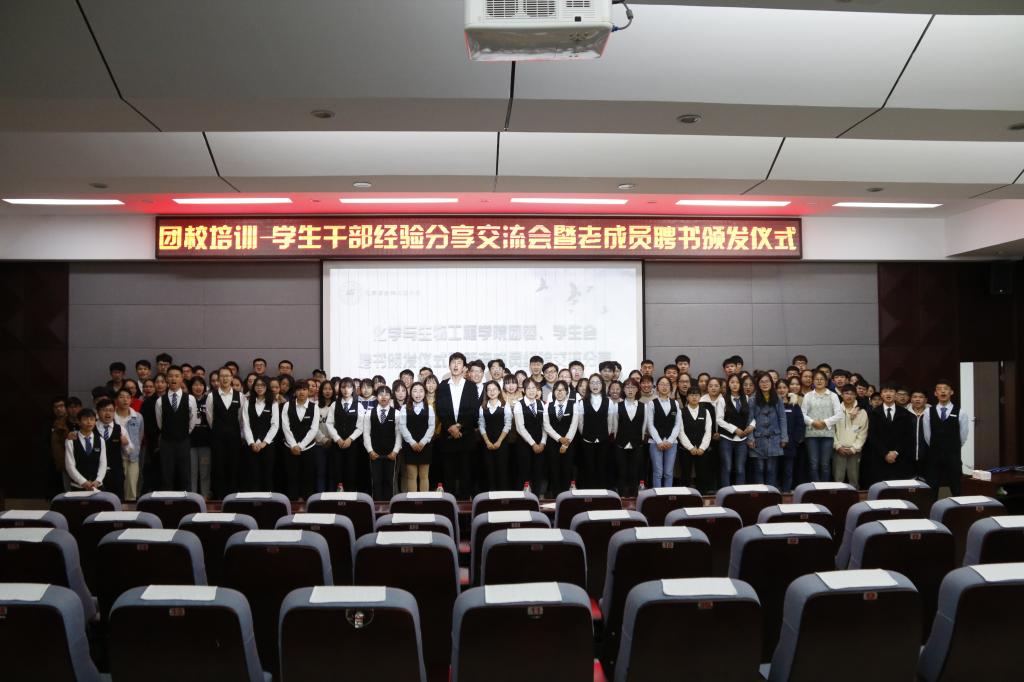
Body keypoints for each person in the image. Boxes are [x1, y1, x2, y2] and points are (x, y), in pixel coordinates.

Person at [434, 352, 479, 498]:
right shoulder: (442, 386)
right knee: (449, 474)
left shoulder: (471, 386)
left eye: (459, 363)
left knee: (466, 473)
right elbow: (440, 409)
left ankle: (465, 503)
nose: (455, 365)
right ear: (449, 366)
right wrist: (450, 427)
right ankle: (449, 503)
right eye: (453, 362)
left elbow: (473, 410)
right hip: (447, 437)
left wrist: (459, 426)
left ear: (464, 367)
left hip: (466, 436)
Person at [922, 380, 970, 495]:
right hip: (934, 454)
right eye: (939, 389)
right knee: (932, 486)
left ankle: (959, 505)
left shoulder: (961, 412)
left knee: (956, 486)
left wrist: (952, 446)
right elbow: (927, 435)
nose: (943, 391)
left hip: (953, 455)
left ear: (951, 392)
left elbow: (963, 436)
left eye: (946, 389)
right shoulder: (928, 412)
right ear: (935, 393)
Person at [154, 366, 198, 490]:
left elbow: (192, 421)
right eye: (171, 376)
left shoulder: (190, 399)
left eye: (177, 376)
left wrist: (182, 433)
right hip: (166, 442)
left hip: (183, 441)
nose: (174, 379)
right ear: (167, 378)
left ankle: (187, 499)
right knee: (166, 474)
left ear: (182, 378)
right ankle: (167, 500)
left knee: (185, 474)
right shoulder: (160, 401)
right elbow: (160, 423)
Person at [865, 383, 916, 485]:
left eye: (891, 391)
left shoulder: (905, 414)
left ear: (896, 394)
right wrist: (885, 453)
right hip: (879, 457)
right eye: (885, 391)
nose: (888, 394)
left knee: (897, 488)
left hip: (899, 458)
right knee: (881, 488)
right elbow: (872, 436)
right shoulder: (873, 413)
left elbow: (908, 436)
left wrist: (896, 452)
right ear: (881, 395)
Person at [206, 368, 244, 498]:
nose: (225, 378)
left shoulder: (240, 396)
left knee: (234, 466)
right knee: (219, 466)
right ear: (218, 379)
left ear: (232, 378)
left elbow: (241, 418)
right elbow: (210, 418)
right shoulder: (211, 396)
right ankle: (219, 496)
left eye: (227, 376)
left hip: (234, 438)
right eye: (222, 376)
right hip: (217, 438)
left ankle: (233, 496)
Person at [281, 379, 321, 501]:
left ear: (309, 391)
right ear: (294, 391)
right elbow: (285, 427)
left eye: (304, 389)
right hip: (290, 448)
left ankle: (307, 503)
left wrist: (301, 446)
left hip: (308, 448)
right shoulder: (287, 405)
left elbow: (314, 429)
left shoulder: (314, 407)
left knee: (308, 477)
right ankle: (292, 503)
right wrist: (294, 445)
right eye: (298, 389)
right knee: (291, 477)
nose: (301, 392)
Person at [802, 370, 843, 482]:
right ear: (813, 381)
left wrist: (825, 422)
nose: (819, 381)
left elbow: (839, 414)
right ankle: (815, 487)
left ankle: (825, 487)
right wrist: (812, 422)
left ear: (826, 382)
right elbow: (802, 414)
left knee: (825, 464)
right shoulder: (808, 396)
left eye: (822, 379)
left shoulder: (833, 396)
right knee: (813, 464)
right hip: (811, 434)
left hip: (827, 434)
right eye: (817, 379)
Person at [748, 373, 787, 487]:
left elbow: (782, 418)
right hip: (758, 438)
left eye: (767, 381)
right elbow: (750, 420)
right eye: (762, 382)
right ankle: (760, 493)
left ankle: (771, 492)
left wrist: (784, 437)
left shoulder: (777, 398)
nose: (765, 384)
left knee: (771, 469)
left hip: (775, 438)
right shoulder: (753, 399)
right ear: (758, 384)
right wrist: (750, 438)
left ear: (772, 383)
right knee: (759, 469)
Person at [325, 377, 364, 492]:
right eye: (343, 387)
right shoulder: (334, 404)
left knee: (351, 471)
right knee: (337, 471)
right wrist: (337, 439)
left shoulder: (359, 405)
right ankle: (338, 496)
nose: (346, 390)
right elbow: (329, 423)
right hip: (337, 444)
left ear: (353, 389)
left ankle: (350, 495)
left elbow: (360, 426)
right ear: (340, 389)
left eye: (349, 387)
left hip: (353, 444)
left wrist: (350, 439)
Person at [241, 376, 279, 491]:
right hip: (251, 445)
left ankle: (268, 499)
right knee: (253, 475)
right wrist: (252, 442)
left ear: (267, 387)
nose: (259, 387)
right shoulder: (248, 402)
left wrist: (264, 442)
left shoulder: (273, 403)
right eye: (257, 385)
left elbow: (275, 425)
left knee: (267, 475)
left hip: (267, 445)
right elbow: (245, 424)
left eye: (262, 385)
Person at [543, 380, 580, 494]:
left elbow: (574, 425)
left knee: (567, 468)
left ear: (567, 392)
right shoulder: (547, 406)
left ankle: (566, 494)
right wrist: (559, 438)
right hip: (552, 443)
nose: (559, 392)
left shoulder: (573, 405)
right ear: (553, 392)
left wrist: (565, 442)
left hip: (569, 443)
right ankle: (555, 494)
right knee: (554, 468)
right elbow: (546, 425)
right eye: (557, 390)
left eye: (562, 390)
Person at [610, 378, 646, 496]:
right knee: (621, 471)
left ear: (637, 389)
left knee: (634, 472)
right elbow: (614, 425)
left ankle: (634, 496)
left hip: (637, 443)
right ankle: (621, 496)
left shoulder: (643, 406)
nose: (630, 390)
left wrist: (640, 439)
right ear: (623, 390)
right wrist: (617, 440)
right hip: (621, 443)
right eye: (627, 387)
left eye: (633, 387)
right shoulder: (617, 406)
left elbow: (644, 426)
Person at [364, 385, 401, 500]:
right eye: (381, 394)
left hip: (391, 454)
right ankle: (376, 507)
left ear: (390, 397)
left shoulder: (396, 413)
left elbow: (399, 434)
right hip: (374, 454)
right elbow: (366, 433)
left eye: (386, 394)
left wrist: (395, 451)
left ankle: (389, 506)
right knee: (376, 482)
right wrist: (370, 451)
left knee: (390, 482)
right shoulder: (369, 413)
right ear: (376, 397)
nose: (383, 397)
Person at [646, 376, 681, 488]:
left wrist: (670, 440)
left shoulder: (675, 403)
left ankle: (668, 495)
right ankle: (658, 495)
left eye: (667, 384)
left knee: (668, 473)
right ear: (657, 387)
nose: (664, 387)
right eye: (662, 384)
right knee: (658, 473)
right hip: (655, 442)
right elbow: (650, 424)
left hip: (672, 443)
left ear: (671, 387)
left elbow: (678, 424)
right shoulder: (652, 403)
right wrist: (659, 441)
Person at [513, 378, 548, 492]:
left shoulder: (541, 403)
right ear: (523, 390)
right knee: (523, 472)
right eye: (528, 388)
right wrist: (533, 444)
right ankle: (518, 498)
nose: (532, 391)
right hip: (524, 444)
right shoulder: (519, 404)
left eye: (534, 388)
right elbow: (520, 427)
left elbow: (545, 425)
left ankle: (536, 497)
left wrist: (543, 442)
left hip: (540, 444)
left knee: (538, 472)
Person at [399, 381, 435, 492]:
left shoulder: (429, 408)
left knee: (424, 476)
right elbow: (402, 426)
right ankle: (413, 501)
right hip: (410, 445)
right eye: (415, 391)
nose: (418, 394)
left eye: (421, 391)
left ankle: (424, 500)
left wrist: (423, 442)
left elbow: (431, 426)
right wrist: (412, 442)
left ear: (424, 393)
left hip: (425, 445)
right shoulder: (404, 408)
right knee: (411, 476)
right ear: (410, 393)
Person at [719, 375, 754, 486]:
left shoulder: (746, 398)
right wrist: (734, 429)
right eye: (732, 382)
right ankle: (725, 492)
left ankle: (740, 493)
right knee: (727, 467)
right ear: (728, 384)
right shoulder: (722, 399)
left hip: (742, 439)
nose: (735, 385)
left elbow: (753, 416)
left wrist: (752, 425)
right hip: (726, 438)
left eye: (737, 382)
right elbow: (719, 419)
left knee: (740, 469)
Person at [578, 374, 612, 489]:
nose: (595, 385)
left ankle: (602, 492)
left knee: (602, 467)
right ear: (589, 385)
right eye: (592, 382)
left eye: (598, 382)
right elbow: (581, 423)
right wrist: (586, 434)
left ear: (602, 385)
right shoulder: (582, 402)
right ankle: (589, 492)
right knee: (589, 467)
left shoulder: (609, 401)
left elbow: (610, 422)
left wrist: (605, 434)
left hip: (603, 440)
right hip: (587, 439)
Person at [478, 380, 512, 491]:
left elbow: (508, 424)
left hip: (502, 443)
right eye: (489, 390)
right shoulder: (483, 407)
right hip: (487, 444)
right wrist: (487, 442)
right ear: (486, 392)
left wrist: (499, 441)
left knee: (502, 471)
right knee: (489, 471)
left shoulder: (505, 405)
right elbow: (481, 425)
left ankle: (502, 497)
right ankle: (490, 496)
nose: (492, 392)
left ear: (499, 391)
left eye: (494, 389)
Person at [833, 385, 868, 488]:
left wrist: (854, 448)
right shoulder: (835, 410)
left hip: (854, 451)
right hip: (838, 450)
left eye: (852, 394)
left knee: (854, 479)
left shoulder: (862, 412)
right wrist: (837, 446)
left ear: (856, 395)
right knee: (838, 479)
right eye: (846, 393)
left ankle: (855, 496)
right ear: (842, 395)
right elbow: (831, 430)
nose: (849, 396)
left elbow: (863, 432)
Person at [678, 387, 712, 489]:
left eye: (696, 395)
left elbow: (708, 432)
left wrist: (702, 447)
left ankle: (702, 494)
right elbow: (680, 432)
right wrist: (690, 447)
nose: (694, 397)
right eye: (691, 395)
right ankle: (685, 495)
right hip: (685, 449)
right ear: (687, 397)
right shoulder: (681, 412)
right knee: (685, 474)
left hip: (702, 449)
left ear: (700, 397)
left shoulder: (705, 412)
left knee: (702, 474)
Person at [65, 408, 105, 491]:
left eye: (92, 419)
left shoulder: (100, 440)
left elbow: (103, 463)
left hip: (96, 485)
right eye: (85, 419)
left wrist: (98, 480)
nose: (89, 422)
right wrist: (83, 482)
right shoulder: (71, 440)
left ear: (95, 421)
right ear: (79, 422)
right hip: (78, 486)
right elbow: (70, 465)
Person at [114, 388, 144, 501]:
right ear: (116, 400)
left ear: (131, 400)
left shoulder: (138, 417)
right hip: (116, 456)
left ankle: (130, 507)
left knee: (131, 486)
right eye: (121, 397)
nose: (125, 400)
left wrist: (135, 448)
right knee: (118, 485)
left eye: (128, 397)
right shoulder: (112, 417)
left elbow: (140, 435)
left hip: (132, 457)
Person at [94, 398, 127, 501]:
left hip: (116, 471)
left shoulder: (120, 429)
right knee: (98, 501)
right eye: (104, 410)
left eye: (111, 410)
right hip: (96, 473)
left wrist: (126, 445)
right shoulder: (91, 428)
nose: (108, 413)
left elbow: (129, 451)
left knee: (117, 500)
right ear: (97, 412)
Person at [777, 379, 805, 492]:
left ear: (788, 389)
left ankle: (786, 492)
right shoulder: (773, 404)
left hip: (791, 443)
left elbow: (800, 423)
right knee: (774, 470)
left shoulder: (793, 405)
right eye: (779, 388)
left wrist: (795, 440)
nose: (782, 390)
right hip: (775, 443)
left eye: (784, 387)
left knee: (788, 470)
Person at [188, 377, 212, 497]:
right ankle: (192, 496)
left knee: (205, 471)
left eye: (201, 385)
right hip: (190, 443)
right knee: (192, 471)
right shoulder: (187, 400)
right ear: (191, 387)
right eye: (195, 385)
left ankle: (205, 495)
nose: (198, 387)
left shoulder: (209, 400)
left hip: (205, 443)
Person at [907, 388, 930, 476]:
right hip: (907, 458)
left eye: (921, 397)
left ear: (926, 400)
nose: (917, 399)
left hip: (928, 457)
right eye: (915, 397)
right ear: (911, 399)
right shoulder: (904, 414)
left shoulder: (932, 414)